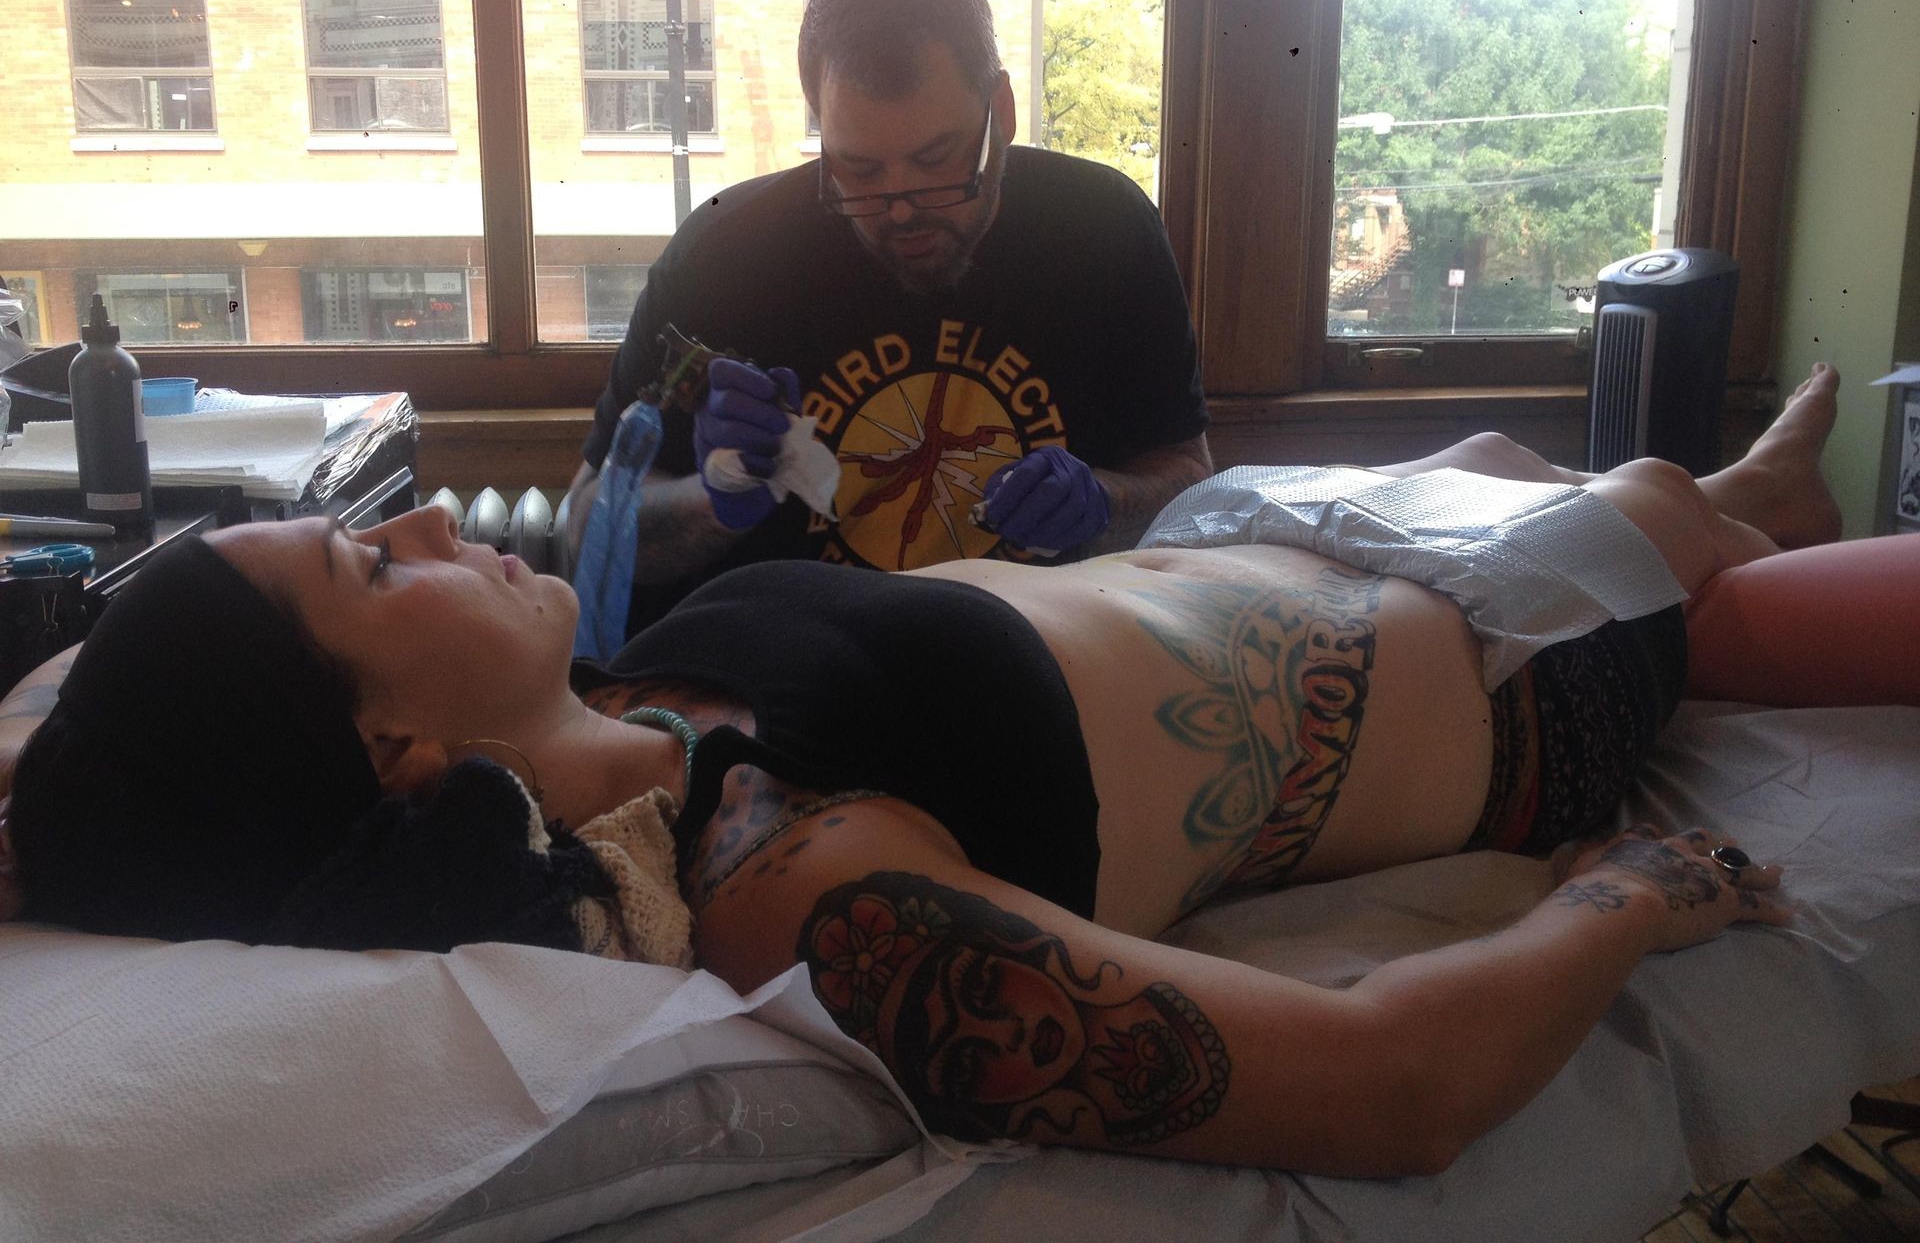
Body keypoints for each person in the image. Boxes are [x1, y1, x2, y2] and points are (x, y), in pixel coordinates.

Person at [4, 365, 1913, 1179]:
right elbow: (1396, 1089)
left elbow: (83, 763)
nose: (426, 519)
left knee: (1501, 451)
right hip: (1511, 677)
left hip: (1280, 537)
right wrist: (1631, 896)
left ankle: (1747, 497)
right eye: (369, 565)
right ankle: (1759, 502)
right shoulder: (796, 885)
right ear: (398, 749)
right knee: (1661, 502)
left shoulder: (621, 704)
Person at [565, 0, 1211, 635]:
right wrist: (718, 499)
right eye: (860, 170)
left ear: (1002, 110)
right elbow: (584, 526)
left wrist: (1104, 501)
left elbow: (1188, 475)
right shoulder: (728, 252)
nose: (902, 210)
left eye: (936, 161)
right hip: (786, 665)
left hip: (1034, 654)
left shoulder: (1104, 229)